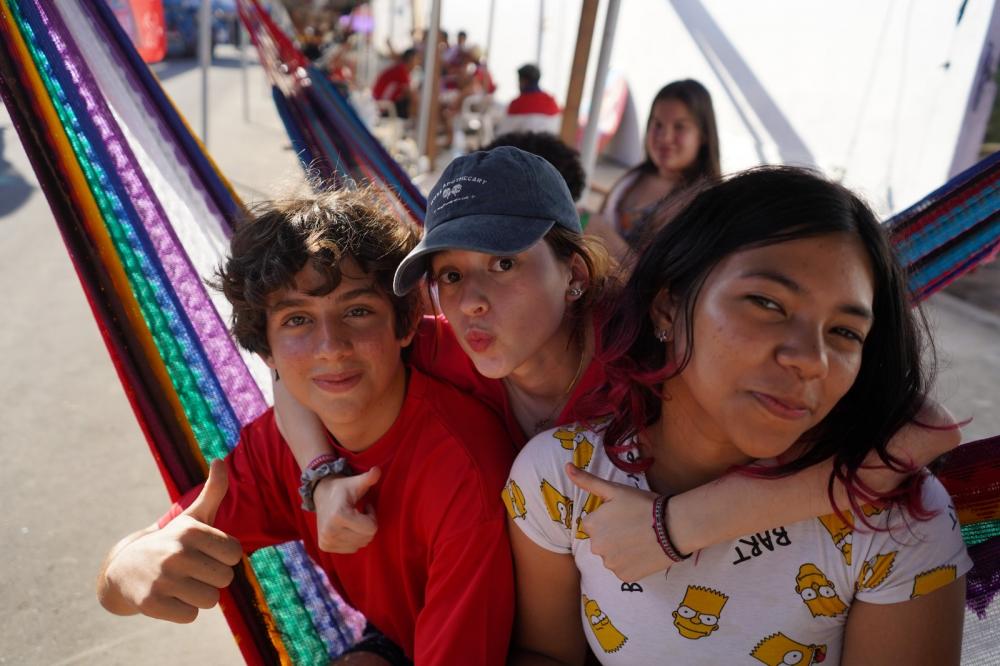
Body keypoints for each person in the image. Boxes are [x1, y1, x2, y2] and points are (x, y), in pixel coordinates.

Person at [277, 148, 958, 585]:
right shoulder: (441, 343)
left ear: (574, 274)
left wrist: (685, 524)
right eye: (450, 275)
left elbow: (928, 428)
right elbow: (293, 370)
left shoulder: (651, 345)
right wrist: (322, 475)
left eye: (504, 263)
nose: (472, 301)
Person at [507, 167, 971, 664]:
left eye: (844, 333)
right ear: (667, 306)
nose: (812, 359)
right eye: (767, 303)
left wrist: (677, 526)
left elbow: (934, 423)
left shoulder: (895, 521)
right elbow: (546, 654)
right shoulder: (564, 479)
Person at [95, 188, 515, 665]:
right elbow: (123, 573)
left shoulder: (462, 469)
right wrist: (125, 570)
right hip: (402, 635)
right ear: (267, 353)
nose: (331, 347)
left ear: (405, 327)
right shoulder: (275, 449)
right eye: (298, 320)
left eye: (357, 311)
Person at [587, 79, 720, 260]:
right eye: (657, 124)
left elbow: (668, 275)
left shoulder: (704, 204)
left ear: (703, 135)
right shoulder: (633, 178)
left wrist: (601, 230)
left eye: (679, 127)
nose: (665, 137)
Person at [500, 64, 561, 135]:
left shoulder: (517, 104)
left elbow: (503, 134)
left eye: (519, 81)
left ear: (523, 81)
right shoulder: (551, 101)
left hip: (525, 141)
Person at [372, 48, 418, 119]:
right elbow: (411, 95)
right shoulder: (401, 70)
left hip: (383, 103)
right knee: (410, 101)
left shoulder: (401, 69)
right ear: (410, 59)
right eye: (417, 59)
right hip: (382, 106)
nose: (418, 63)